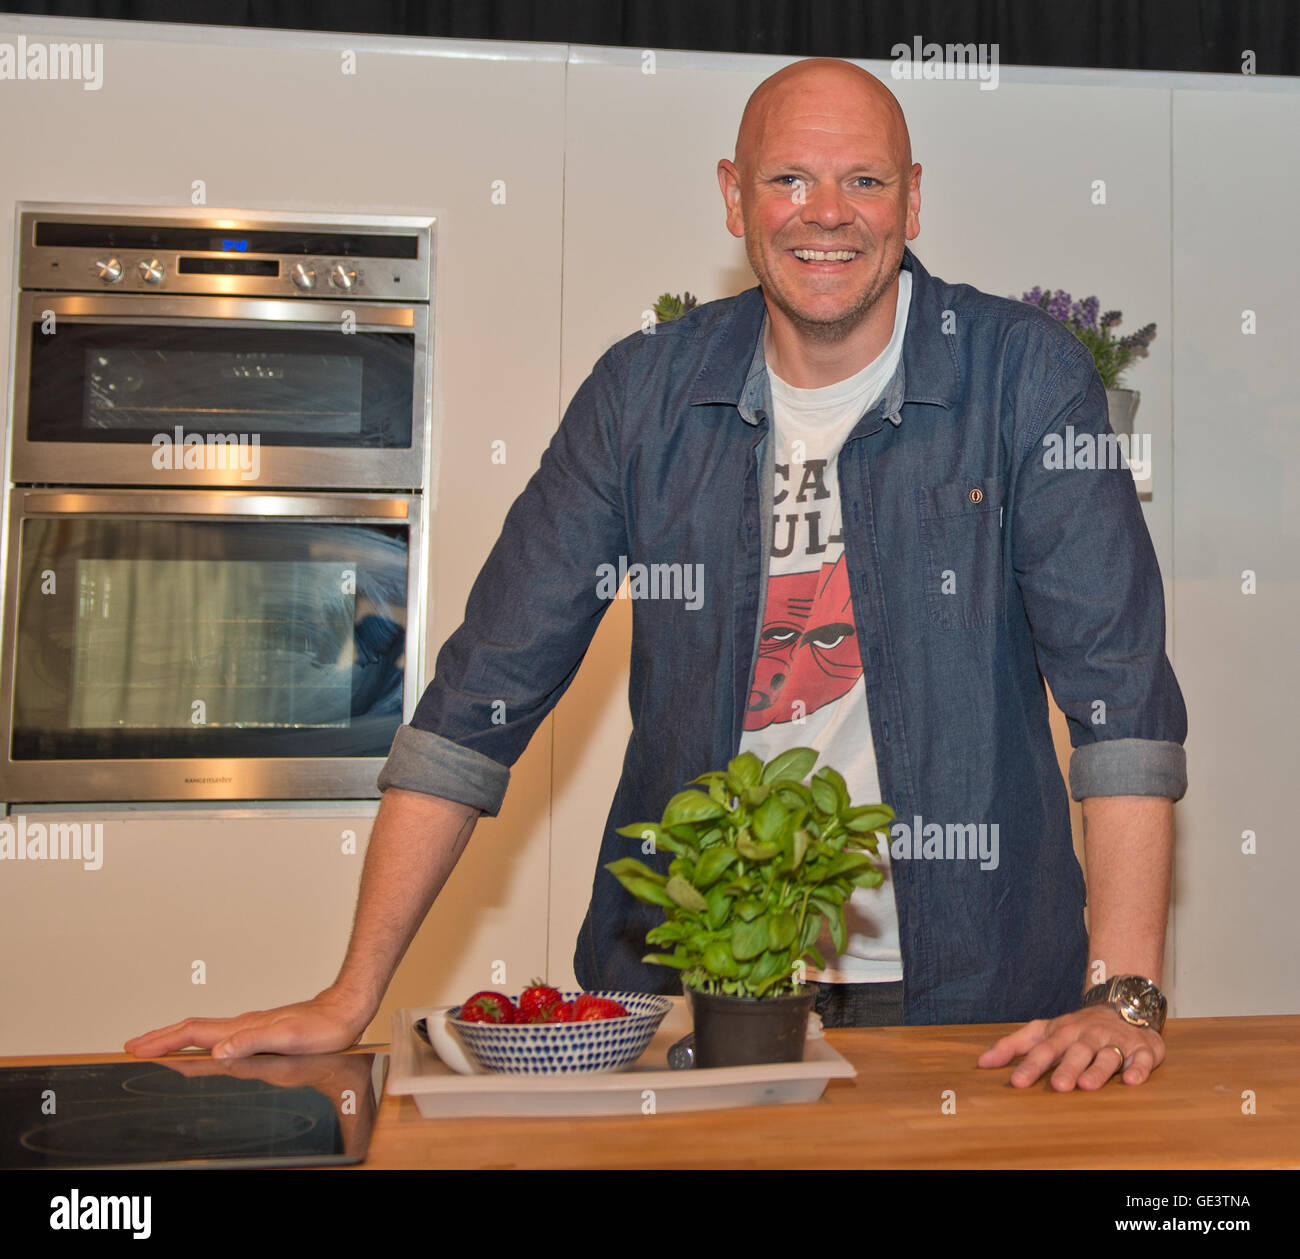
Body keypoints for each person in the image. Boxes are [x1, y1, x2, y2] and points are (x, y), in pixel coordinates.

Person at [128, 58, 1186, 1092]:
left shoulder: (1022, 378)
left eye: (863, 180)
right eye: (788, 179)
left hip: (981, 999)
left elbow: (1118, 698)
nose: (827, 213)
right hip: (696, 990)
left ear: (912, 200)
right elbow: (482, 692)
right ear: (734, 197)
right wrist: (350, 990)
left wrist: (1123, 988)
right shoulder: (642, 393)